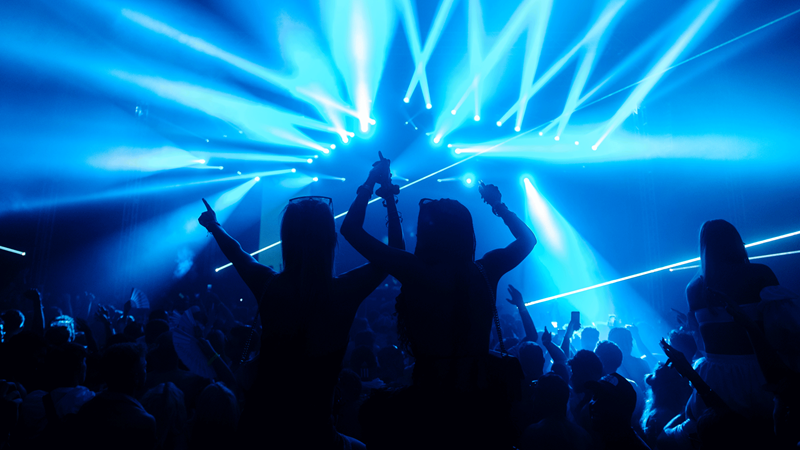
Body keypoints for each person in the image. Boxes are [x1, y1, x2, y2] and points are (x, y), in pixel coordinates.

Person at [198, 152, 403, 449]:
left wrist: (214, 226)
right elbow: (395, 253)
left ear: (287, 239)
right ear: (330, 240)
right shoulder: (342, 292)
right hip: (315, 434)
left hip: (261, 429)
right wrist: (380, 188)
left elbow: (237, 253)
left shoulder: (270, 285)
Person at [342, 172, 536, 449]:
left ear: (427, 233)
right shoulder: (485, 269)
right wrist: (498, 205)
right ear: (466, 232)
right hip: (480, 403)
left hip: (430, 399)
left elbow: (350, 230)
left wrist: (371, 181)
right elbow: (528, 240)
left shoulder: (416, 270)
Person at [685, 220, 778, 422]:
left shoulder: (693, 288)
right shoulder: (760, 274)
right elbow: (783, 325)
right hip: (762, 368)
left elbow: (700, 343)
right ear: (736, 241)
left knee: (724, 434)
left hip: (715, 376)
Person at [73, 343, 156, 450]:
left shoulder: (86, 408)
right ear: (136, 376)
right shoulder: (143, 420)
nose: (146, 372)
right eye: (144, 367)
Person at [519, 373, 592, 450]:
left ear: (542, 398)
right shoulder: (583, 436)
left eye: (536, 394)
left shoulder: (533, 433)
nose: (532, 399)